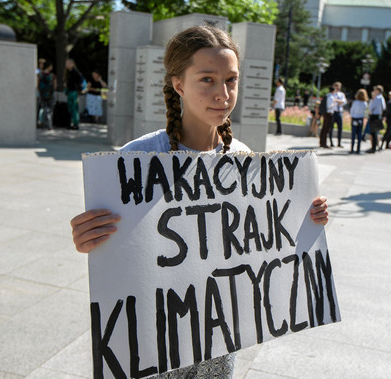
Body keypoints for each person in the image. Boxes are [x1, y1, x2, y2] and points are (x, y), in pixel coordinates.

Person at [69, 25, 330, 379]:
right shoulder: (137, 158)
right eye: (207, 79)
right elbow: (116, 252)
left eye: (231, 80)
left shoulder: (243, 159)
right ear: (179, 84)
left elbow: (259, 246)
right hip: (154, 343)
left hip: (218, 341)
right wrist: (88, 239)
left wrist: (304, 217)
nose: (223, 93)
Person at [65, 58, 85, 130]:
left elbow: (79, 83)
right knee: (71, 108)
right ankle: (73, 123)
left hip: (73, 92)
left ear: (72, 64)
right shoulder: (70, 72)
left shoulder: (75, 73)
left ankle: (75, 123)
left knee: (74, 108)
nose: (66, 65)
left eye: (68, 63)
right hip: (71, 91)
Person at [37, 60, 56, 129]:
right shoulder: (52, 75)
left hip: (42, 94)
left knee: (43, 109)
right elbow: (54, 86)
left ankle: (43, 123)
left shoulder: (40, 74)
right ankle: (49, 124)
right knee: (50, 110)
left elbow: (37, 85)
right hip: (50, 94)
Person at [366, 85, 385, 153]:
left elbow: (371, 107)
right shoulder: (382, 98)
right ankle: (376, 146)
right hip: (378, 116)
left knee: (373, 132)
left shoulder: (377, 98)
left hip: (374, 116)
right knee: (376, 132)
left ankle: (373, 147)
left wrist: (369, 112)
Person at [327, 81, 347, 147]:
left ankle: (339, 142)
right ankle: (331, 142)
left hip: (339, 112)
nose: (338, 88)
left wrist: (337, 101)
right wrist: (338, 101)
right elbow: (332, 101)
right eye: (336, 87)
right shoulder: (331, 94)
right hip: (333, 112)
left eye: (339, 87)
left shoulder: (341, 94)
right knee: (331, 128)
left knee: (340, 128)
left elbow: (344, 101)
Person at [349, 89, 368, 154]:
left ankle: (352, 149)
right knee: (359, 134)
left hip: (355, 118)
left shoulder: (355, 102)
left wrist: (352, 117)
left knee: (353, 134)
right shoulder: (365, 103)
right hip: (360, 119)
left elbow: (352, 110)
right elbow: (365, 112)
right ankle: (358, 149)